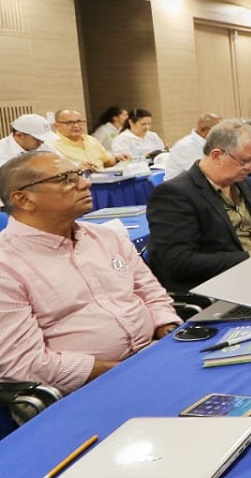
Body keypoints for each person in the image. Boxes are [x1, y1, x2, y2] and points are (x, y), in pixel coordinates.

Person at [0, 152, 180, 393]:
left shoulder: (106, 237)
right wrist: (123, 370)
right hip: (87, 388)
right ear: (23, 199)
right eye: (66, 178)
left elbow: (150, 292)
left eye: (80, 175)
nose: (85, 183)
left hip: (155, 353)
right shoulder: (7, 265)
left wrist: (167, 328)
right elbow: (25, 363)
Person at [146, 120, 251, 293]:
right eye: (245, 161)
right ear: (217, 156)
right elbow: (179, 262)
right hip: (218, 287)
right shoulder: (174, 194)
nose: (250, 168)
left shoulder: (241, 183)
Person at [51, 109, 130, 169]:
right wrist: (77, 167)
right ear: (56, 125)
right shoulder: (52, 146)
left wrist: (117, 158)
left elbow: (106, 162)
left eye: (79, 122)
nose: (76, 126)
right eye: (69, 123)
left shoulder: (91, 140)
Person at [160, 112, 222, 180]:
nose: (222, 134)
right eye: (218, 130)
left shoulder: (209, 142)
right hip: (179, 188)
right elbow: (202, 174)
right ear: (203, 130)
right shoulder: (186, 147)